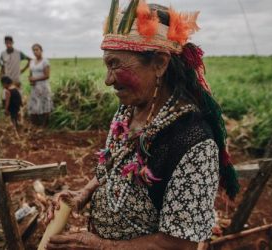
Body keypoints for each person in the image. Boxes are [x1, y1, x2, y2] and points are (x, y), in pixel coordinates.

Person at [45, 1, 240, 249]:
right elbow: (113, 166)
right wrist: (82, 194)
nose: (107, 80)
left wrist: (103, 246)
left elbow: (178, 245)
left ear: (159, 63)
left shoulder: (194, 142)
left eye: (116, 64)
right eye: (107, 65)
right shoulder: (127, 110)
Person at [0, 36, 31, 109]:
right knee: (5, 99)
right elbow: (3, 66)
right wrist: (1, 76)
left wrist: (23, 70)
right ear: (5, 43)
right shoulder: (3, 54)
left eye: (10, 43)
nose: (8, 44)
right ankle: (9, 117)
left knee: (18, 100)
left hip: (16, 80)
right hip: (6, 82)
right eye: (7, 43)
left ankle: (18, 117)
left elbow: (30, 60)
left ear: (12, 43)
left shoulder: (18, 53)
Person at [28, 43, 53, 127]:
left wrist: (35, 79)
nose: (35, 52)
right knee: (35, 104)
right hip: (35, 87)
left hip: (43, 86)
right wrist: (31, 80)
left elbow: (47, 75)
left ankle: (45, 124)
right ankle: (36, 124)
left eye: (37, 50)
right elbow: (31, 74)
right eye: (33, 50)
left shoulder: (45, 61)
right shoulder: (32, 61)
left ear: (41, 50)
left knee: (45, 104)